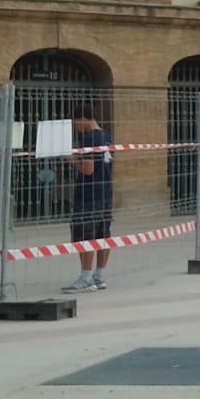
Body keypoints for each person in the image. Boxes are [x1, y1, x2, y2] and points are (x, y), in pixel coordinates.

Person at [63, 105, 114, 293]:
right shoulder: (107, 137)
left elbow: (88, 169)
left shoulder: (89, 138)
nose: (76, 127)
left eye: (76, 123)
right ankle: (99, 276)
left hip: (88, 195)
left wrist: (72, 160)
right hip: (105, 192)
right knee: (103, 234)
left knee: (84, 234)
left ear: (84, 118)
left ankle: (85, 277)